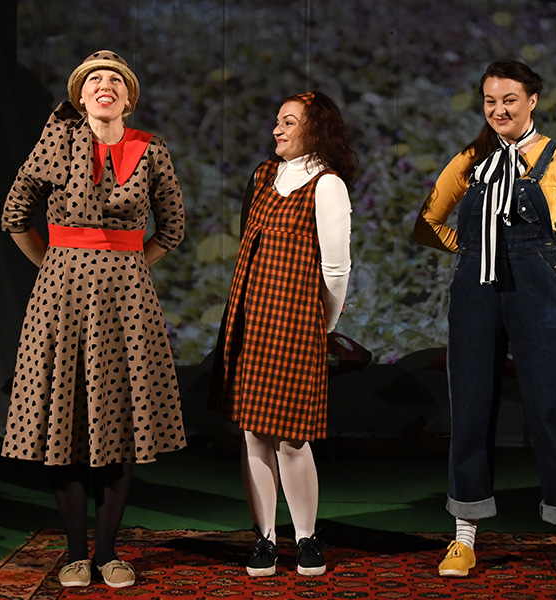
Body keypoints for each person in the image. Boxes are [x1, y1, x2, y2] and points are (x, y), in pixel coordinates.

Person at [414, 60, 556, 587]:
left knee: (553, 412)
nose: (498, 109)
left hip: (537, 294)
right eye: (490, 100)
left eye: (509, 99)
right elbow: (427, 223)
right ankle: (464, 539)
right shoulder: (471, 159)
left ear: (532, 101)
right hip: (476, 296)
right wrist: (472, 251)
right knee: (470, 411)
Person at [1, 50, 186, 589]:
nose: (105, 86)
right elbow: (15, 214)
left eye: (115, 81)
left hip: (127, 304)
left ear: (128, 98)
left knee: (117, 423)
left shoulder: (151, 149)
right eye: (94, 80)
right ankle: (75, 554)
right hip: (61, 297)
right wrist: (56, 264)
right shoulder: (56, 141)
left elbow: (172, 229)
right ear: (80, 96)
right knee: (64, 422)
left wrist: (127, 264)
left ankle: (108, 553)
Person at [210, 91, 355, 577]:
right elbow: (249, 247)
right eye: (278, 120)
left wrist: (323, 325)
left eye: (289, 122)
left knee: (292, 437)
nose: (277, 129)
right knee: (254, 432)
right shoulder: (263, 176)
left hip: (297, 322)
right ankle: (266, 539)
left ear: (316, 129)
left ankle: (307, 537)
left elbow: (336, 269)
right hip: (253, 317)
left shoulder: (327, 185)